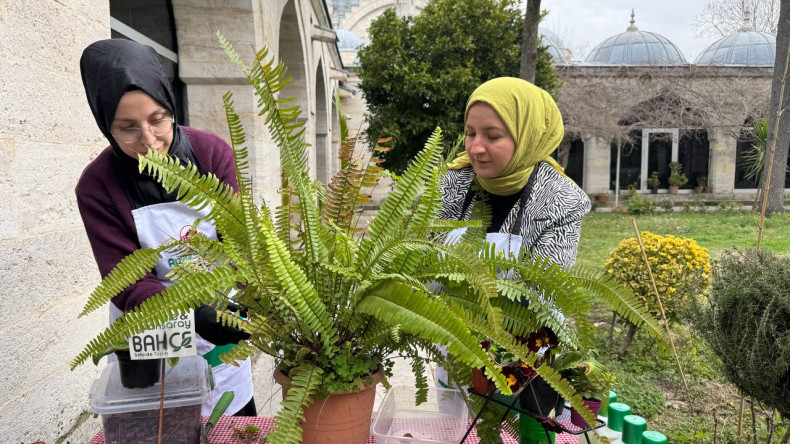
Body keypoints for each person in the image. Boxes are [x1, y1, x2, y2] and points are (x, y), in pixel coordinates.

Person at [76, 39, 255, 416]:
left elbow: (241, 242)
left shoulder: (211, 155)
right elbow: (127, 278)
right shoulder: (97, 186)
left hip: (220, 318)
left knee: (232, 419)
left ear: (170, 106)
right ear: (105, 125)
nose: (149, 140)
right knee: (162, 421)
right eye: (127, 128)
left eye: (158, 119)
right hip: (149, 330)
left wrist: (232, 303)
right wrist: (187, 315)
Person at [438, 77, 591, 415]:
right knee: (452, 427)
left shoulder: (560, 200)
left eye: (492, 136)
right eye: (470, 133)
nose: (476, 148)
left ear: (527, 136)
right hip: (451, 348)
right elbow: (417, 257)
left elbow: (543, 294)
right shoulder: (454, 183)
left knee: (508, 430)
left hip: (516, 360)